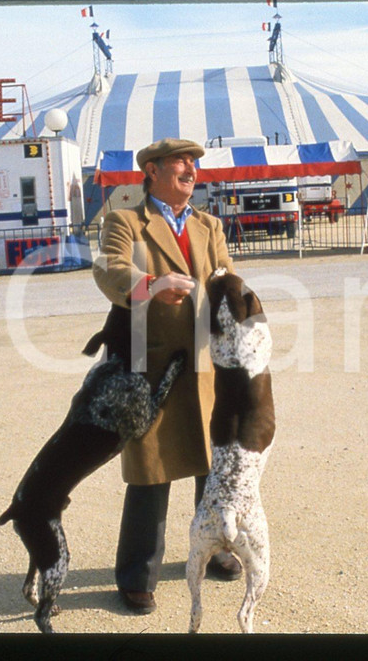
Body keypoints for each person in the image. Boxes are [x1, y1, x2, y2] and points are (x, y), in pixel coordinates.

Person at [92, 137, 242, 614]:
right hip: (152, 368)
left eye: (194, 162)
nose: (190, 168)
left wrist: (238, 306)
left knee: (213, 468)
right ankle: (138, 576)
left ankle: (216, 548)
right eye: (179, 161)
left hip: (205, 367)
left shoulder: (208, 224)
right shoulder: (124, 222)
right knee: (151, 475)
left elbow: (225, 278)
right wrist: (152, 285)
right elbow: (109, 271)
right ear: (151, 171)